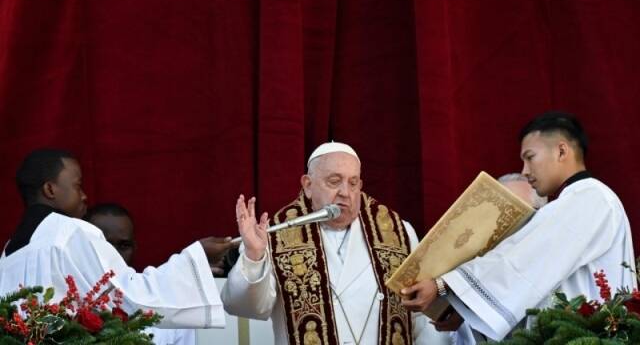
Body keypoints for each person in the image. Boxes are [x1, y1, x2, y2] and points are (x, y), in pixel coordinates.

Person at [401, 112, 636, 341]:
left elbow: (519, 260)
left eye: (530, 157)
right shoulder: (582, 200)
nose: (525, 171)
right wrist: (465, 310)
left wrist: (444, 285)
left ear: (561, 151)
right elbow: (535, 283)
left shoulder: (589, 197)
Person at [221, 142, 449, 344]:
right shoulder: (274, 234)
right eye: (334, 181)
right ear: (308, 185)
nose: (345, 193)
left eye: (353, 183)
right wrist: (253, 256)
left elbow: (420, 315)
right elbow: (245, 307)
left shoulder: (397, 231)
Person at [0, 149, 235, 329]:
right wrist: (196, 259)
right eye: (77, 185)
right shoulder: (70, 232)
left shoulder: (9, 251)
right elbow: (129, 298)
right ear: (50, 190)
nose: (84, 196)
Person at [444, 173, 547, 344]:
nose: (509, 226)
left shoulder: (557, 269)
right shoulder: (465, 269)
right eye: (503, 214)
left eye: (522, 216)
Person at [85, 203, 197, 345]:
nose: (114, 256)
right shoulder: (62, 303)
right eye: (105, 245)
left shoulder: (169, 308)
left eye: (123, 246)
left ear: (134, 248)